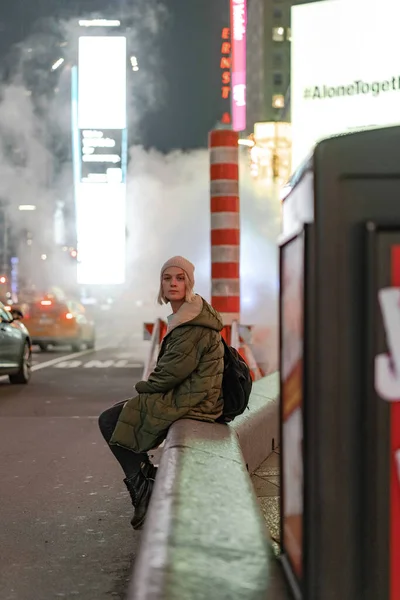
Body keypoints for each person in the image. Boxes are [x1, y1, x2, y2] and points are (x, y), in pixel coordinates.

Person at [98, 256, 224, 530]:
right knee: (119, 416)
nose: (173, 283)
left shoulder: (192, 322)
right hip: (189, 395)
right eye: (168, 279)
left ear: (189, 283)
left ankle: (144, 487)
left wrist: (141, 389)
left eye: (180, 278)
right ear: (161, 284)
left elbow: (169, 374)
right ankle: (146, 480)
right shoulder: (187, 314)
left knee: (110, 419)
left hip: (196, 401)